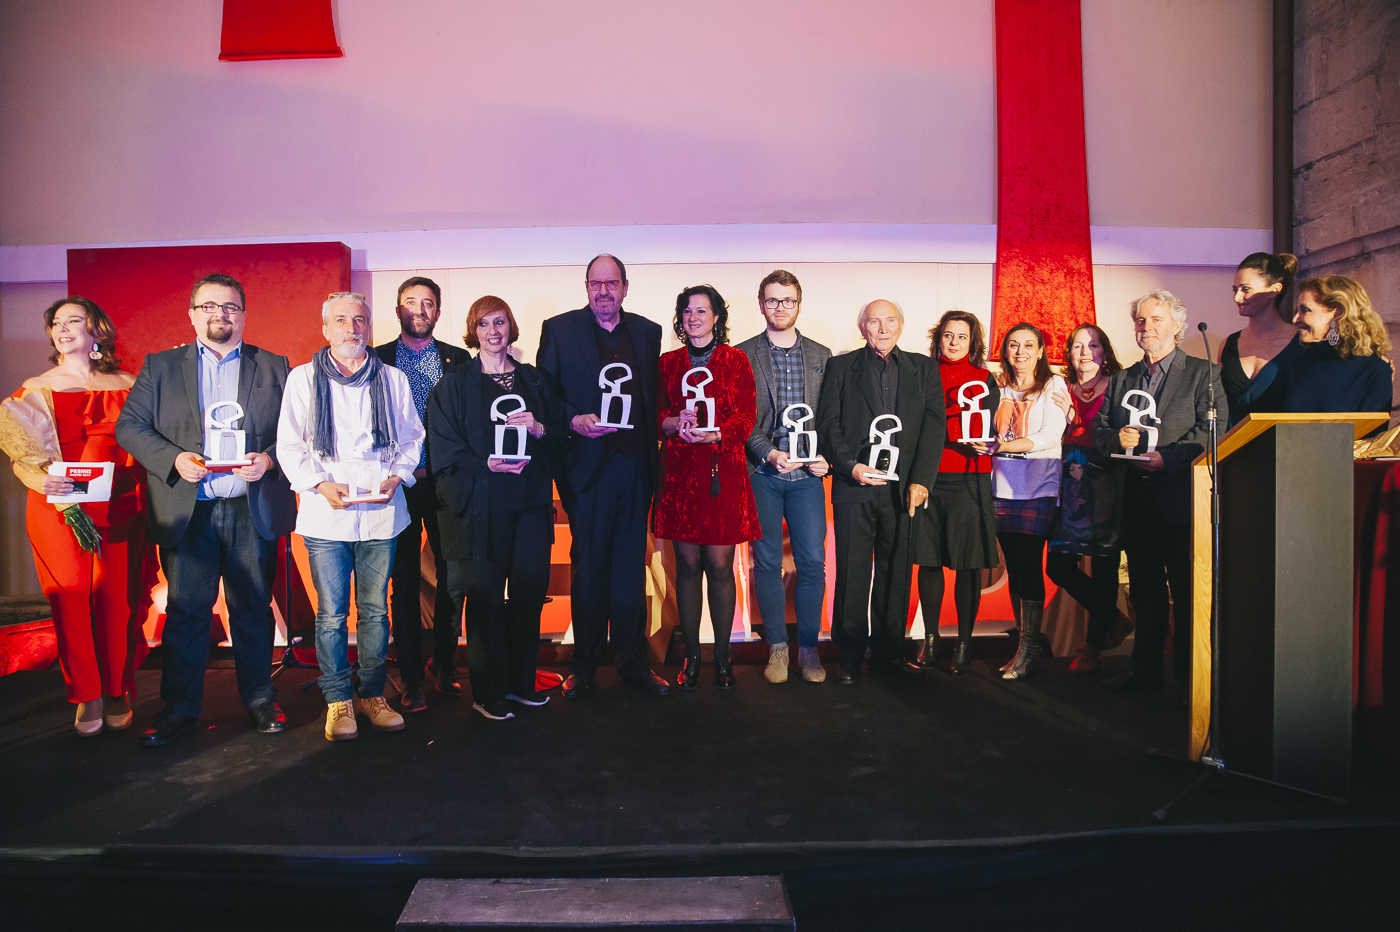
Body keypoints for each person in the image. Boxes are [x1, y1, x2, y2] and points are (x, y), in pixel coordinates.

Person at [116, 274, 296, 747]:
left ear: (243, 313)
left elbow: (300, 430)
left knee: (253, 610)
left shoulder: (274, 366)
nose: (221, 314)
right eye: (210, 306)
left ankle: (260, 699)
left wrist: (271, 457)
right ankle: (179, 711)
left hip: (247, 507)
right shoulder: (160, 367)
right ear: (192, 313)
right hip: (188, 509)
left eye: (231, 306)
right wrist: (173, 460)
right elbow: (130, 428)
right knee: (187, 612)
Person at [276, 292, 424, 741]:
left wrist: (398, 477)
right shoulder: (302, 380)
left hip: (381, 515)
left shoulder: (393, 379)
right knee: (332, 614)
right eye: (341, 320)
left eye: (359, 320)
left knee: (376, 612)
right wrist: (320, 485)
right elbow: (290, 445)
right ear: (326, 329)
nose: (352, 328)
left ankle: (372, 694)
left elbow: (412, 438)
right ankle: (339, 700)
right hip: (327, 516)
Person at [2, 298, 147, 736]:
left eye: (73, 321)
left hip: (122, 503)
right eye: (56, 323)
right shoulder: (34, 389)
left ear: (97, 330)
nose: (62, 329)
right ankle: (87, 694)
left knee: (118, 599)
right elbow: (22, 455)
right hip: (58, 508)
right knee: (70, 599)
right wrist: (39, 481)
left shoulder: (132, 384)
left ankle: (119, 687)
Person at [536, 254, 670, 698]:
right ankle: (585, 667)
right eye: (596, 283)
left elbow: (654, 400)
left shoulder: (648, 333)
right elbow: (545, 397)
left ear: (626, 288)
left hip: (634, 470)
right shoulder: (559, 330)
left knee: (630, 571)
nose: (604, 292)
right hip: (584, 471)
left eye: (612, 283)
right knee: (589, 569)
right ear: (586, 287)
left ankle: (634, 666)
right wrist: (573, 420)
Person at [426, 296, 562, 721]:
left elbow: (561, 437)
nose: (492, 331)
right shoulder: (454, 384)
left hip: (529, 509)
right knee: (484, 601)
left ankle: (521, 684)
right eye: (483, 324)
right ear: (473, 331)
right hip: (479, 511)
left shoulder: (535, 382)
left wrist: (539, 427)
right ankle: (487, 693)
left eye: (499, 322)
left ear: (511, 327)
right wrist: (484, 463)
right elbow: (443, 449)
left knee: (526, 597)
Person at [1095, 290, 1226, 692]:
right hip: (1136, 503)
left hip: (1183, 500)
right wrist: (1118, 437)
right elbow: (1099, 434)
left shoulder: (1206, 374)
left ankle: (1192, 679)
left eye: (1154, 320)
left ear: (1176, 326)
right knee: (1145, 593)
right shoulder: (1122, 379)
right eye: (1140, 321)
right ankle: (1146, 672)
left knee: (1187, 594)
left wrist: (1165, 460)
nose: (1146, 328)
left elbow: (1212, 432)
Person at [816, 299, 943, 684]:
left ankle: (888, 653)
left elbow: (934, 426)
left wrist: (921, 480)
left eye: (890, 321)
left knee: (896, 572)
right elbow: (828, 424)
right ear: (863, 328)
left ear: (901, 326)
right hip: (854, 485)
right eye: (874, 322)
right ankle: (850, 656)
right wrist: (849, 465)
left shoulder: (923, 368)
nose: (883, 328)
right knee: (853, 572)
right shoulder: (841, 367)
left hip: (903, 490)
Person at [655, 285, 760, 690]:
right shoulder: (667, 363)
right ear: (680, 318)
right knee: (687, 566)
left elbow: (746, 416)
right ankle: (693, 658)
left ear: (718, 316)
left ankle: (722, 658)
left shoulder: (736, 361)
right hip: (681, 476)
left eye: (702, 310)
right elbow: (658, 416)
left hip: (722, 474)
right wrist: (672, 423)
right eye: (687, 311)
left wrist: (717, 433)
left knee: (719, 567)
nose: (694, 317)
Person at [374, 276, 466, 712]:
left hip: (447, 484)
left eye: (428, 303)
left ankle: (444, 667)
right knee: (404, 583)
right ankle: (411, 678)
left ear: (438, 312)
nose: (419, 309)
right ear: (397, 310)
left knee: (453, 580)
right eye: (411, 302)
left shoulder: (458, 359)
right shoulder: (376, 360)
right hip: (398, 486)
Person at [737, 270, 832, 686]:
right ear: (761, 304)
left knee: (813, 563)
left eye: (787, 301)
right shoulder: (742, 355)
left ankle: (808, 648)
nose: (780, 308)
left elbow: (830, 416)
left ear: (799, 303)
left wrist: (824, 456)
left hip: (808, 478)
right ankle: (777, 646)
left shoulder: (822, 356)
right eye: (773, 301)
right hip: (763, 472)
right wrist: (769, 453)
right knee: (767, 563)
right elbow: (740, 419)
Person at [909, 310, 999, 675]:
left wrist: (991, 444)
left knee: (967, 563)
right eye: (948, 335)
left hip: (970, 478)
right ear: (938, 337)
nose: (954, 342)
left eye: (962, 336)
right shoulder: (922, 373)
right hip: (930, 478)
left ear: (973, 341)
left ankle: (963, 644)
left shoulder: (985, 378)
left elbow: (995, 427)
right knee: (928, 560)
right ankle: (931, 641)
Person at [977, 323, 1068, 681]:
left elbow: (1049, 437)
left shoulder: (1054, 385)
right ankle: (1024, 644)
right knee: (1015, 566)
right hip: (1000, 489)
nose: (1020, 352)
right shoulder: (996, 385)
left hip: (1039, 489)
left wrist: (1004, 446)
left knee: (1029, 565)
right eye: (1013, 345)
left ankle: (1029, 647)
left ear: (1041, 350)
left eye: (1029, 345)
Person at [1045, 324, 1125, 674]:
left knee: (1105, 566)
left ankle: (1094, 646)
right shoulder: (1061, 388)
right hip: (1069, 483)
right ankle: (1115, 618)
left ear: (1104, 352)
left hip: (1107, 482)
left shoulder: (1119, 387)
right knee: (1058, 566)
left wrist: (1074, 419)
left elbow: (1114, 436)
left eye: (1092, 345)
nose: (1084, 352)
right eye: (1077, 346)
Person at [1263, 275, 1392, 423]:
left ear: (1336, 313)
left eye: (1305, 310)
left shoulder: (1374, 370)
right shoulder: (1295, 360)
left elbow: (1372, 437)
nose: (1295, 319)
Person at [1220, 252, 1302, 427]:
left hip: (1287, 447)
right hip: (1234, 449)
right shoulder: (1228, 344)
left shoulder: (1302, 342)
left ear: (1275, 290)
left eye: (1245, 289)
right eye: (1235, 290)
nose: (1237, 298)